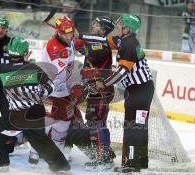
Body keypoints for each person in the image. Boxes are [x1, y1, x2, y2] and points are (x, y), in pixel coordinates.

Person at [0, 36, 70, 172]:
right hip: (37, 113)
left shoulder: (1, 69)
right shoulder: (35, 68)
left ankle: (0, 162)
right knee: (40, 139)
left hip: (17, 117)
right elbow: (50, 88)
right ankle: (61, 166)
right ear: (26, 53)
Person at [83, 13, 154, 173]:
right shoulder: (125, 40)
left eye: (122, 25)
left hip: (139, 91)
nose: (119, 26)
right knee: (139, 126)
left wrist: (105, 83)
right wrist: (81, 37)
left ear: (128, 28)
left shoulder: (129, 44)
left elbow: (122, 71)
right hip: (142, 90)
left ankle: (130, 165)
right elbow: (104, 40)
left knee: (133, 127)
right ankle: (140, 161)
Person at [77, 16, 116, 169]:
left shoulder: (103, 44)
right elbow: (85, 50)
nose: (93, 25)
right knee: (93, 120)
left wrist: (76, 39)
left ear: (103, 30)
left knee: (97, 121)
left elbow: (91, 51)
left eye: (97, 24)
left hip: (102, 90)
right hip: (96, 89)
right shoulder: (96, 43)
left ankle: (104, 159)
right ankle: (103, 156)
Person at [40, 16, 82, 158]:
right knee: (60, 122)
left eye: (70, 32)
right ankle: (46, 152)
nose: (69, 36)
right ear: (58, 33)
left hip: (63, 89)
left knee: (66, 120)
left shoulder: (66, 39)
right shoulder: (55, 47)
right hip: (54, 90)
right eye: (65, 33)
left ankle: (49, 151)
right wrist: (81, 77)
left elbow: (76, 47)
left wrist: (75, 37)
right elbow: (63, 71)